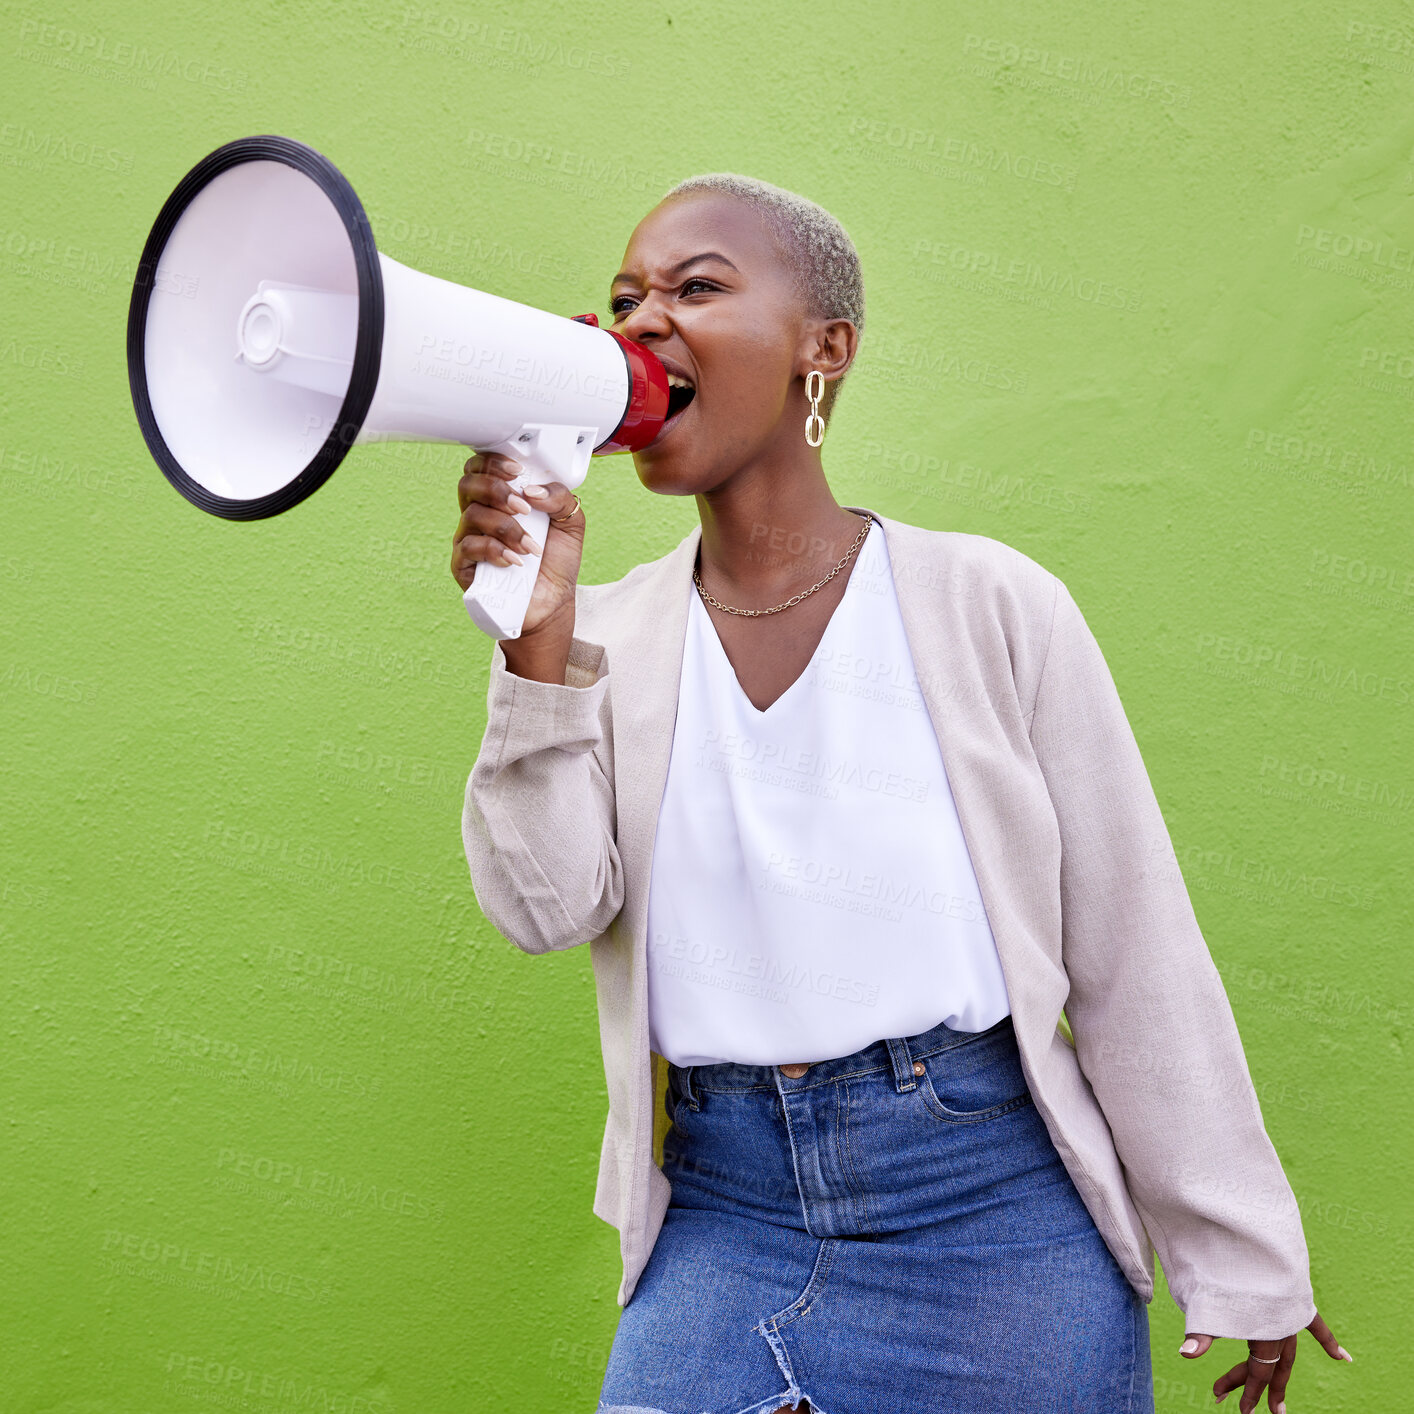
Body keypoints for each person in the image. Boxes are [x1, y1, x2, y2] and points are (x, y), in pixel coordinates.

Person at [453, 174, 1350, 1414]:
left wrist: (1243, 1256)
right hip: (721, 1209)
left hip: (988, 1215)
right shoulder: (602, 635)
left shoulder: (989, 605)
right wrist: (534, 646)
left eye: (695, 287)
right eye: (622, 299)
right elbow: (543, 908)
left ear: (827, 348)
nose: (639, 323)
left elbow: (1131, 942)